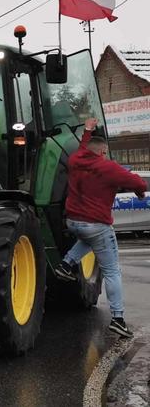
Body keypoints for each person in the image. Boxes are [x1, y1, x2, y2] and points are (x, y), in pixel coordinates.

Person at [55, 117, 145, 338]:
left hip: (73, 221)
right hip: (96, 224)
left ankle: (66, 264)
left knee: (88, 239)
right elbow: (139, 183)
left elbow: (83, 146)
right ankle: (118, 319)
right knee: (112, 271)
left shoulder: (75, 160)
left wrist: (87, 130)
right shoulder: (107, 167)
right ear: (103, 152)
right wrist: (139, 190)